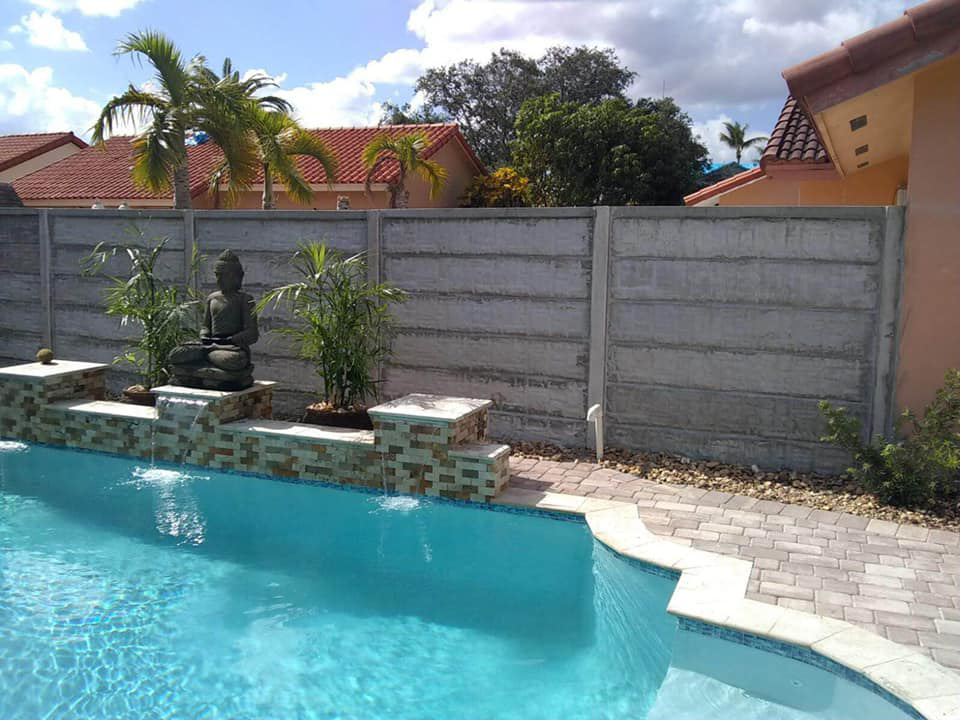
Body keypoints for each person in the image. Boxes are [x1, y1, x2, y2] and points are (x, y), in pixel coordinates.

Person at [169, 249, 259, 390]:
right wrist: (204, 336)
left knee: (232, 360)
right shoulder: (212, 298)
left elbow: (252, 334)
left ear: (237, 277)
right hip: (210, 345)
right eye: (217, 275)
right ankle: (207, 357)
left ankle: (208, 359)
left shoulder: (244, 299)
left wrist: (230, 339)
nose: (220, 280)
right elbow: (206, 326)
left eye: (224, 276)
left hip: (230, 349)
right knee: (176, 354)